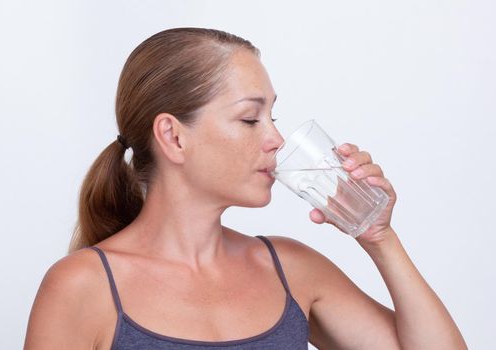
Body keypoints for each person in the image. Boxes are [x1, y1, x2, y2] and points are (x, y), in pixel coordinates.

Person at [24, 27, 467, 349]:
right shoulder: (82, 286)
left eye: (273, 116)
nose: (276, 138)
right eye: (250, 119)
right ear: (174, 137)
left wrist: (380, 238)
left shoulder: (290, 268)